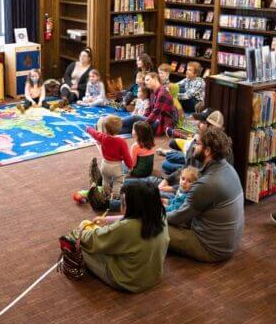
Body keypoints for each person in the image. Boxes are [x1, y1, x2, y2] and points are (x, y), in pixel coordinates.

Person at [167, 127, 244, 262]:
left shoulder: (207, 184)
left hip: (211, 248)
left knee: (150, 224)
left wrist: (154, 214)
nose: (194, 146)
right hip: (228, 243)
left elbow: (178, 217)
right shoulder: (228, 168)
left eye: (197, 144)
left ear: (207, 151)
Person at [77, 182, 169, 293]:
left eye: (124, 202)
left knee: (78, 241)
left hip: (127, 280)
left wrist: (80, 230)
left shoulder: (126, 227)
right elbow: (133, 218)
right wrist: (107, 220)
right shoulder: (159, 215)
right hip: (154, 275)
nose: (122, 204)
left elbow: (93, 239)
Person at [160, 108, 224, 175]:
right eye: (199, 120)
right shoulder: (203, 135)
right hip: (192, 161)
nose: (198, 123)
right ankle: (170, 152)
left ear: (211, 126)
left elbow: (195, 167)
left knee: (166, 164)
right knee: (170, 155)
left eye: (202, 121)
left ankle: (169, 153)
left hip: (195, 170)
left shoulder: (211, 144)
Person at [86, 115, 133, 200]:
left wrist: (88, 129)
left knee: (105, 180)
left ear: (105, 129)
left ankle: (105, 194)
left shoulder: (103, 137)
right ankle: (115, 197)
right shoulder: (121, 142)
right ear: (119, 129)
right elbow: (127, 157)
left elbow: (94, 133)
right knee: (118, 182)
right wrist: (130, 166)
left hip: (105, 165)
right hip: (116, 167)